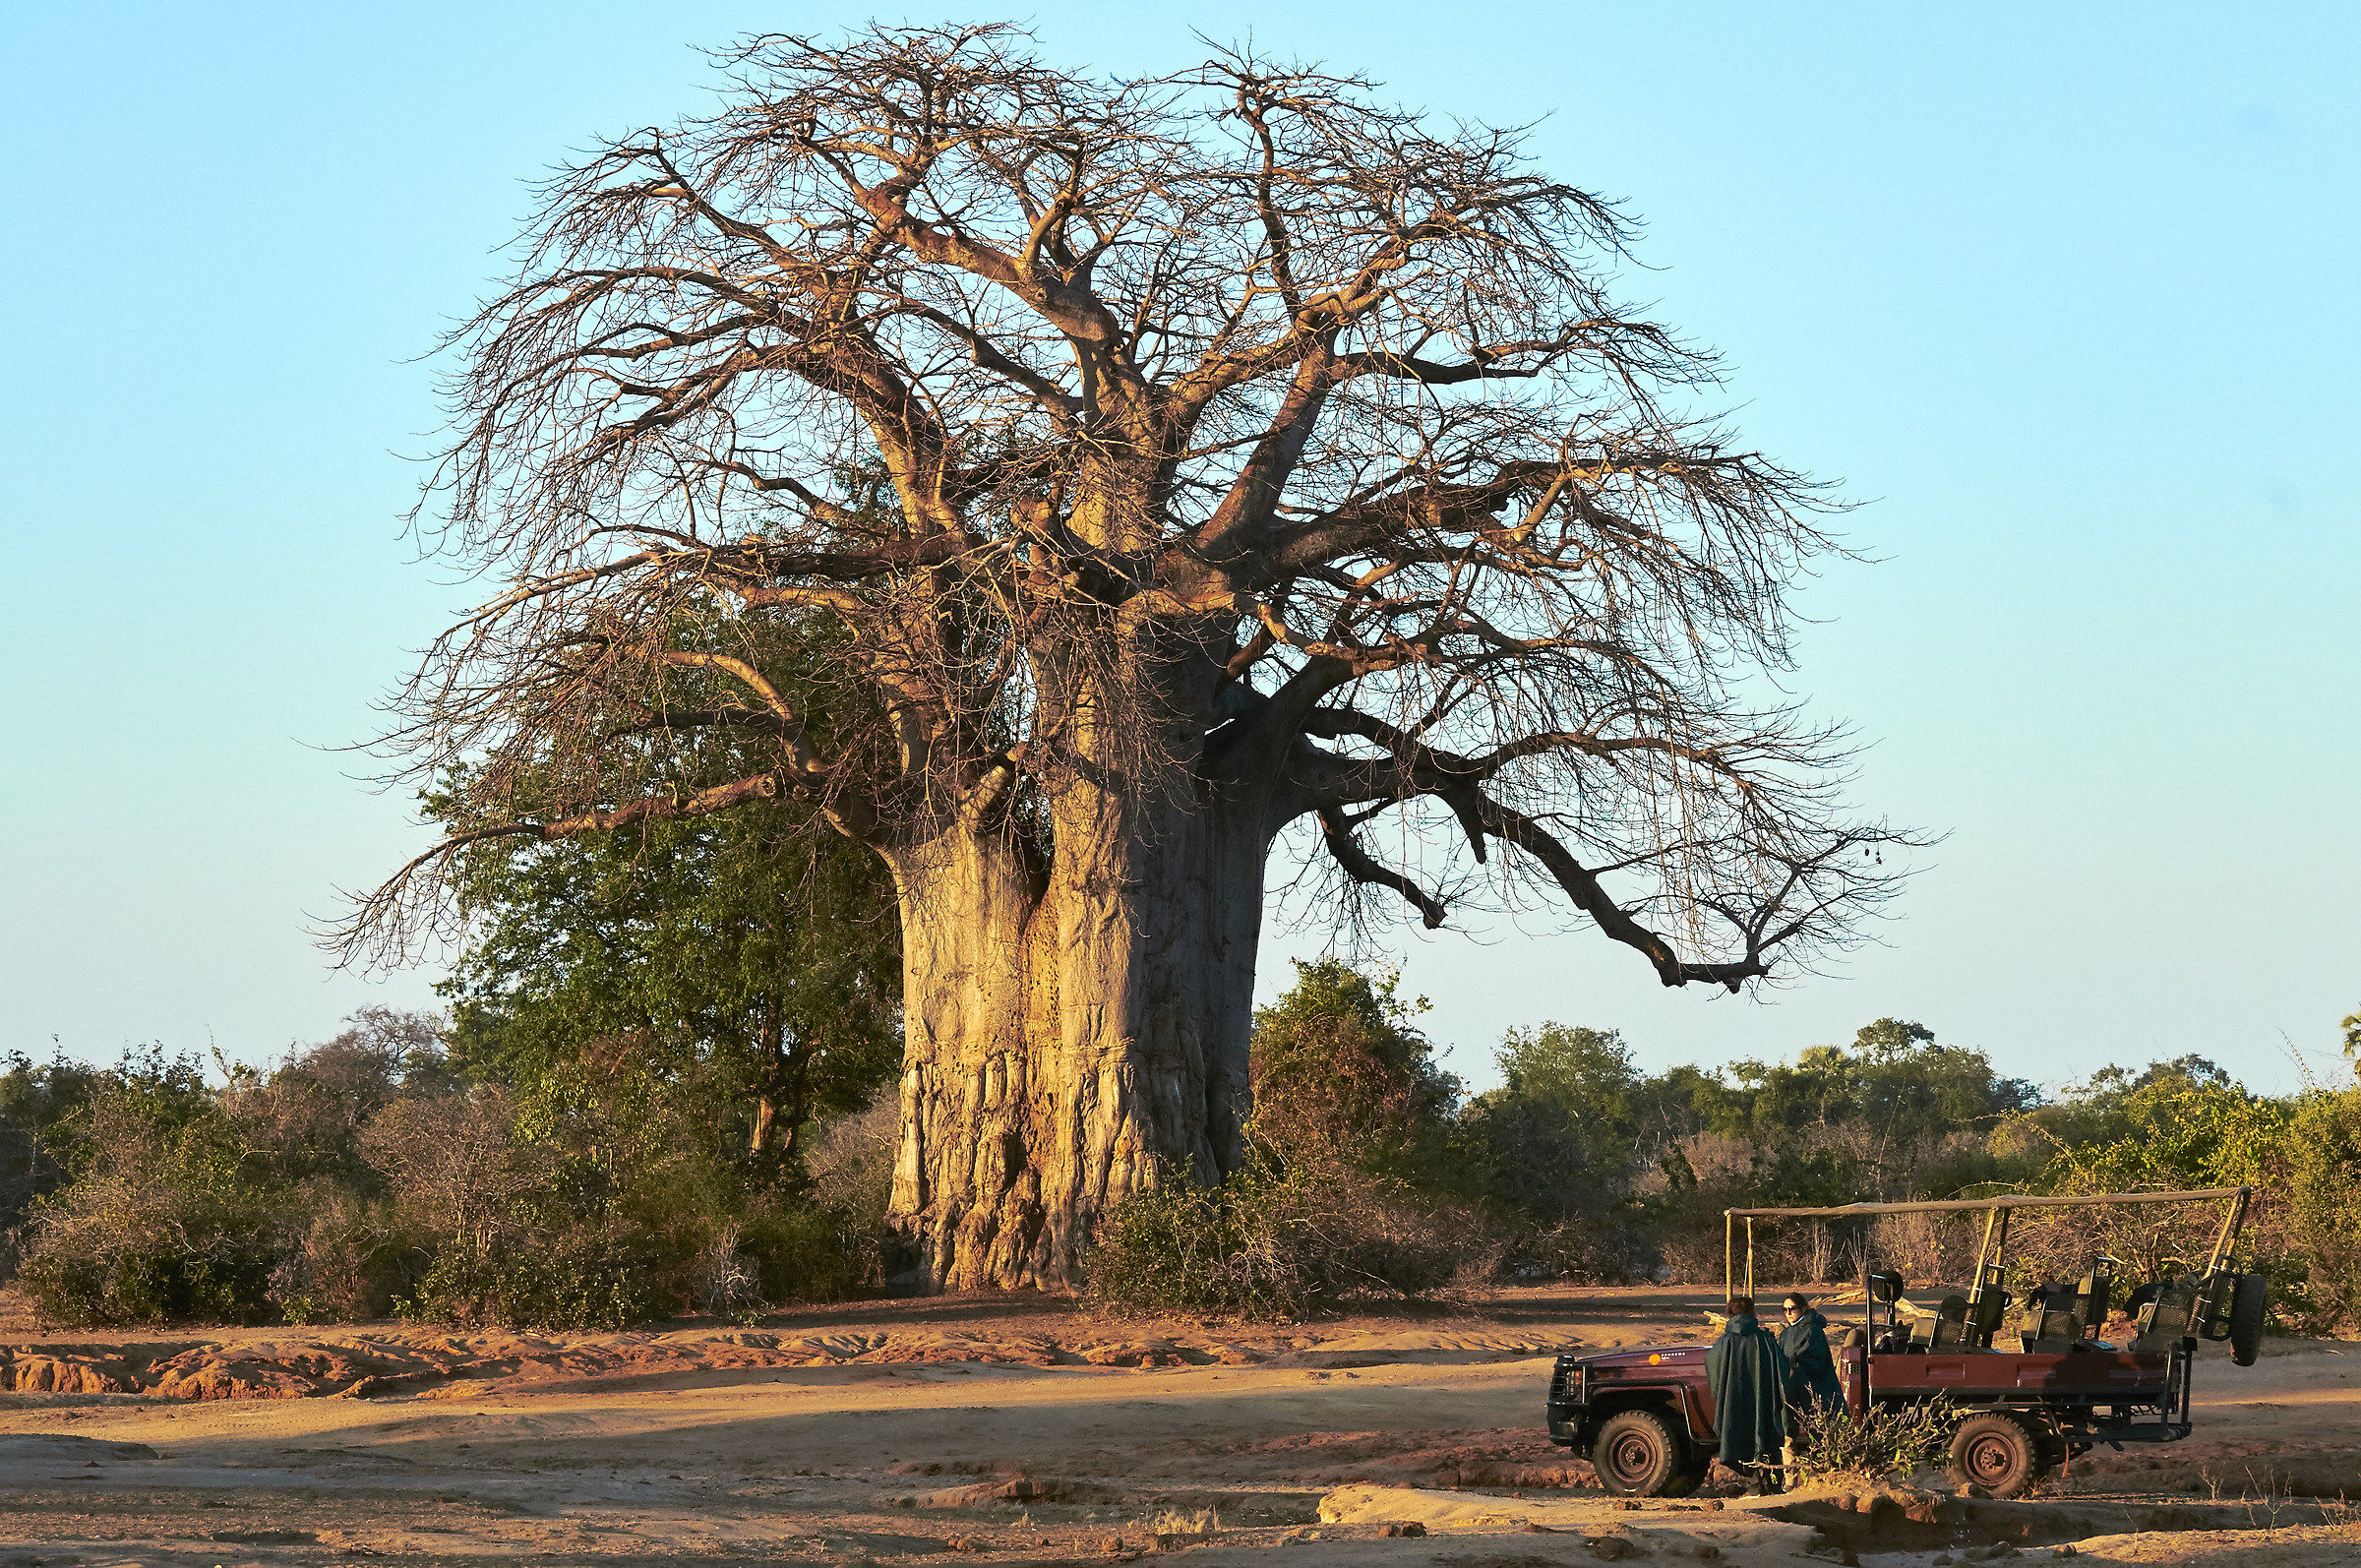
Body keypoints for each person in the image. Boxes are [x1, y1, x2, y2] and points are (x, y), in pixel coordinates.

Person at [1706, 1296, 1790, 1493]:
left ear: (1730, 1314)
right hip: (1763, 1400)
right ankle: (1772, 1484)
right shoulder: (1764, 1340)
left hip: (1734, 1402)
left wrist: (1720, 1390)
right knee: (1766, 1436)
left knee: (1738, 1437)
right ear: (1753, 1312)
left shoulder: (1725, 1341)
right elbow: (1782, 1368)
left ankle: (1754, 1484)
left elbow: (1711, 1363)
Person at [1778, 1294, 1845, 1422]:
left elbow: (1815, 1360)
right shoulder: (1785, 1333)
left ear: (1803, 1309)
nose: (1788, 1313)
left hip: (1814, 1386)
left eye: (1792, 1308)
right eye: (1785, 1310)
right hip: (1792, 1384)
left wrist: (1793, 1363)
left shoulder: (1814, 1330)